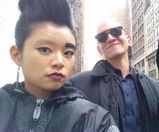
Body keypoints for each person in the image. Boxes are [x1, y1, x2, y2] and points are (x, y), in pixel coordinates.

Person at [0, 0, 120, 131]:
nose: (59, 61)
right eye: (45, 49)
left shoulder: (95, 121)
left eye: (68, 52)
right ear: (17, 55)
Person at [69, 19, 159, 132]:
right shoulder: (77, 85)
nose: (110, 38)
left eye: (115, 32)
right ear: (99, 49)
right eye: (102, 37)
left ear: (129, 39)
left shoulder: (152, 85)